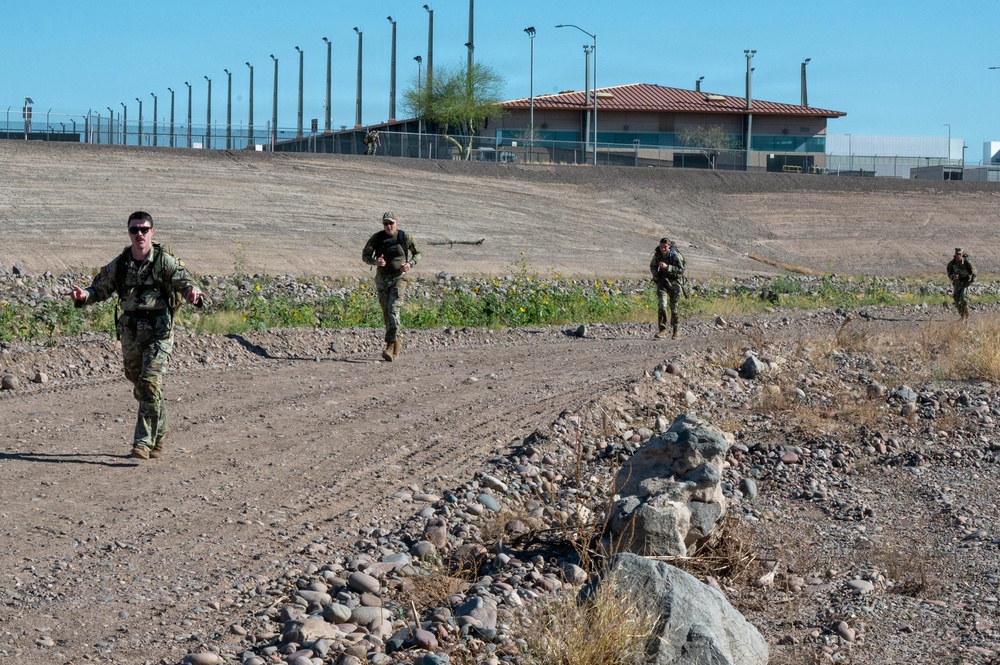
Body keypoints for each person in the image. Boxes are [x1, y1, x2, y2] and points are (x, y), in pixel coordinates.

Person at [67, 211, 204, 460]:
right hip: (130, 331)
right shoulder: (120, 264)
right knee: (139, 383)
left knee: (150, 382)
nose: (139, 234)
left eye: (144, 229)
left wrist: (193, 294)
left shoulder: (165, 261)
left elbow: (186, 283)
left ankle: (142, 443)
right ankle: (159, 433)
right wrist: (83, 296)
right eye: (134, 230)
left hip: (159, 331)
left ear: (152, 231)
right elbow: (100, 288)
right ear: (129, 232)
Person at [362, 211, 421, 361]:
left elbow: (418, 253)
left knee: (394, 308)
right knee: (386, 312)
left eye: (391, 223)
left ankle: (390, 344)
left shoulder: (404, 237)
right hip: (382, 279)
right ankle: (396, 342)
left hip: (399, 279)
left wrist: (410, 264)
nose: (388, 226)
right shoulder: (377, 238)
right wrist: (375, 262)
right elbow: (365, 255)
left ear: (396, 223)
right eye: (385, 224)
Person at [649, 237, 685, 339]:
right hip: (662, 283)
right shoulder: (658, 255)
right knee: (662, 306)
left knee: (674, 308)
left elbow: (681, 270)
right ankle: (662, 330)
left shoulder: (675, 256)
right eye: (661, 247)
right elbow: (652, 266)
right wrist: (655, 273)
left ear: (669, 246)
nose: (663, 249)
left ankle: (676, 330)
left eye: (665, 247)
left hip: (674, 284)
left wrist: (667, 267)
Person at [947, 247, 976, 320]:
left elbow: (974, 271)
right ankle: (962, 316)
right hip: (957, 283)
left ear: (962, 254)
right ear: (955, 254)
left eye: (959, 254)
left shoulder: (966, 262)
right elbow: (949, 272)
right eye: (957, 254)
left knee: (963, 299)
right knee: (957, 302)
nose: (958, 255)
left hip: (966, 282)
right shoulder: (952, 263)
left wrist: (972, 280)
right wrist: (953, 276)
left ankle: (967, 315)